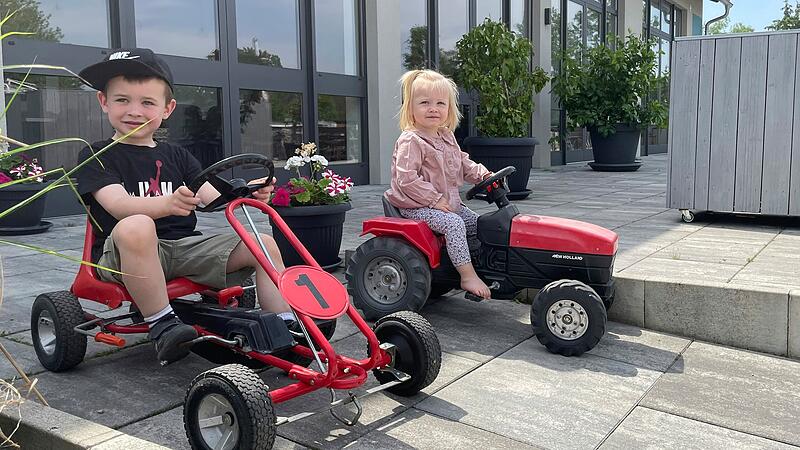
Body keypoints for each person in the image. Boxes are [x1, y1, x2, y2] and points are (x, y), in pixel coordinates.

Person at [76, 48, 294, 365]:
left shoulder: (176, 155)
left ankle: (287, 326)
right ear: (104, 102)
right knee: (138, 224)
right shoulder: (96, 155)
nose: (134, 111)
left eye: (147, 103)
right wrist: (167, 203)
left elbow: (209, 196)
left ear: (167, 109)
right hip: (123, 254)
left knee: (264, 244)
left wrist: (248, 191)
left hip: (182, 248)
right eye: (122, 100)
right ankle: (163, 325)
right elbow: (119, 205)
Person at [385, 69, 493, 299]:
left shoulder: (446, 136)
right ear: (410, 108)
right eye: (425, 102)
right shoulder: (411, 140)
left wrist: (484, 175)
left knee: (480, 224)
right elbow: (406, 179)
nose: (433, 108)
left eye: (440, 103)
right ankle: (467, 275)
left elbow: (462, 162)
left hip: (446, 204)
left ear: (449, 109)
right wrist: (433, 199)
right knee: (454, 225)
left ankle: (480, 263)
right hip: (416, 206)